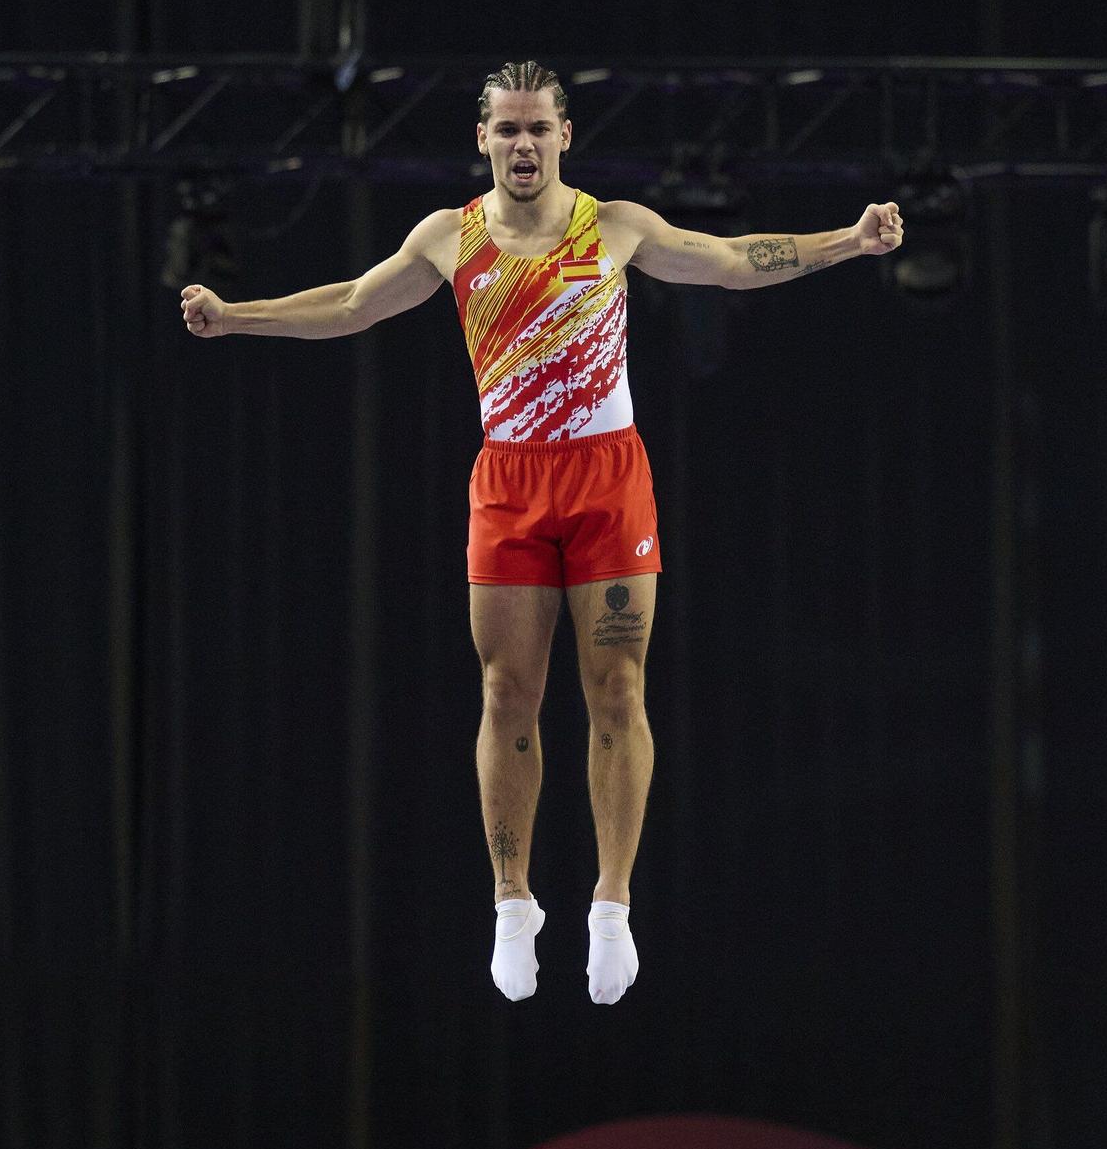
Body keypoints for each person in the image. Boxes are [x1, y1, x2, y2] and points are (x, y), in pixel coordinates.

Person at [179, 60, 904, 1005]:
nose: (523, 145)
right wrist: (235, 317)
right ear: (482, 139)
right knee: (506, 690)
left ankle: (612, 904)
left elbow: (731, 259)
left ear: (566, 135)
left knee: (618, 687)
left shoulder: (617, 226)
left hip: (608, 479)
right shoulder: (448, 238)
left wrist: (849, 241)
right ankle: (513, 901)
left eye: (538, 129)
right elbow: (353, 303)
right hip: (511, 483)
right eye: (508, 129)